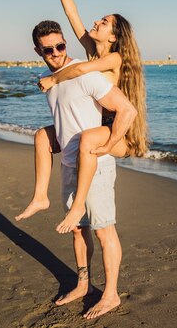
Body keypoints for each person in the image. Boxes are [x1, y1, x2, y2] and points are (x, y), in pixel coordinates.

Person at [15, 0, 149, 233]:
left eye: (104, 22)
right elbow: (71, 12)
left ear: (114, 36)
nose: (97, 21)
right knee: (42, 136)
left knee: (88, 139)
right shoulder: (91, 49)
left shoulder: (113, 59)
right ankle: (40, 196)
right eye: (100, 18)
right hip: (93, 123)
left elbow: (81, 70)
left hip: (113, 129)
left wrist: (54, 79)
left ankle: (78, 208)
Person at [31, 20, 136, 318]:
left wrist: (111, 142)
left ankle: (112, 294)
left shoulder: (90, 71)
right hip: (71, 163)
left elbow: (127, 109)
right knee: (79, 230)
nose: (55, 53)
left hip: (98, 158)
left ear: (66, 44)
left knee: (104, 231)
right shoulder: (48, 79)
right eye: (48, 49)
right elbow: (74, 15)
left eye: (60, 46)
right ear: (38, 51)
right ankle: (83, 285)